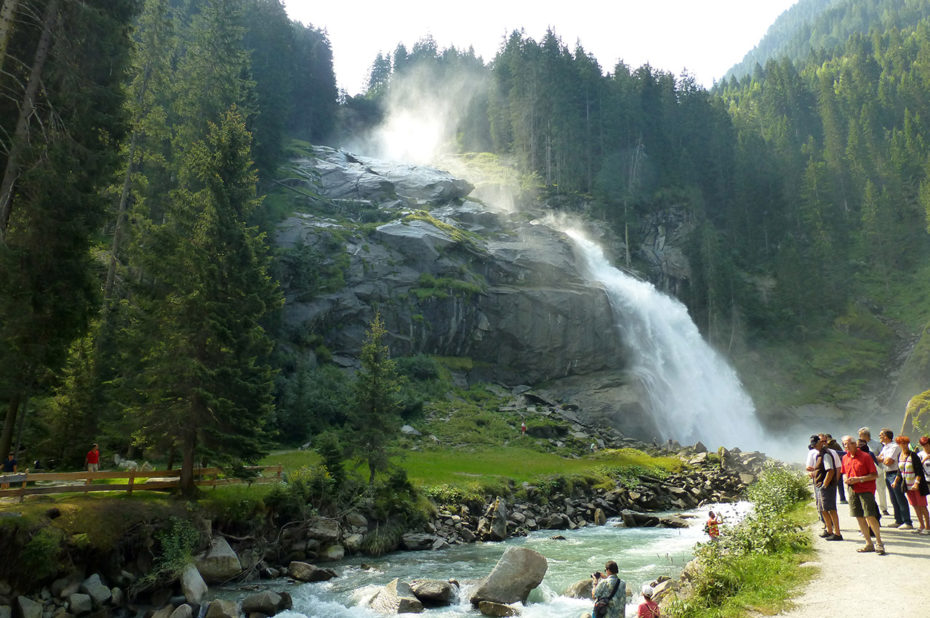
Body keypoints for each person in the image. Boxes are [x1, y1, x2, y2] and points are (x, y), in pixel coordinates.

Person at [841, 435, 885, 555]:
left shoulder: (865, 457)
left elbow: (875, 475)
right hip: (852, 490)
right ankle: (868, 543)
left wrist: (859, 479)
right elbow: (844, 473)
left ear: (855, 444)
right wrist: (846, 479)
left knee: (870, 516)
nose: (846, 446)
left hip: (866, 490)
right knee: (859, 517)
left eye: (849, 443)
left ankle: (879, 543)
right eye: (844, 444)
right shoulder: (845, 458)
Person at [892, 435, 930, 534]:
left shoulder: (913, 455)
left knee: (922, 506)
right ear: (899, 444)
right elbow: (900, 471)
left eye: (905, 443)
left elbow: (919, 471)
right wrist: (895, 481)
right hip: (907, 485)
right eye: (901, 443)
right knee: (915, 506)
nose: (903, 445)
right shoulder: (899, 455)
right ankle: (921, 526)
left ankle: (928, 527)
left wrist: (916, 483)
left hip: (917, 485)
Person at [878, 428, 913, 529]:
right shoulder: (885, 447)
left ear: (886, 436)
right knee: (893, 498)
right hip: (887, 473)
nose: (879, 437)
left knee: (900, 497)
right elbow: (879, 458)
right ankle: (898, 520)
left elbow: (889, 461)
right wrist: (883, 459)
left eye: (881, 435)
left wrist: (882, 459)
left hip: (895, 474)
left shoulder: (895, 447)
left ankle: (907, 521)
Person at [815, 435, 842, 540]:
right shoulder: (820, 454)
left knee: (831, 509)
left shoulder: (826, 454)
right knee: (823, 509)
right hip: (821, 486)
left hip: (826, 487)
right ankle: (830, 531)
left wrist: (825, 485)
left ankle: (837, 533)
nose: (814, 447)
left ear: (821, 443)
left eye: (815, 444)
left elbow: (830, 470)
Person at [858, 427, 888, 515]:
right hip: (864, 470)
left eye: (860, 435)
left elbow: (883, 456)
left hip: (877, 468)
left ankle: (884, 508)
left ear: (866, 435)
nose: (859, 437)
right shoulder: (858, 444)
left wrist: (875, 458)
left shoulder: (877, 444)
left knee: (881, 489)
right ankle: (869, 508)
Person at [826, 435, 847, 504]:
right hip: (838, 464)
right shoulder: (836, 444)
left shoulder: (825, 446)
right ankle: (842, 498)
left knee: (829, 483)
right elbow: (842, 453)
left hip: (830, 466)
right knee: (839, 483)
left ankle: (830, 500)